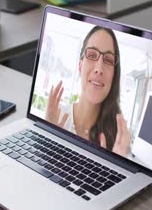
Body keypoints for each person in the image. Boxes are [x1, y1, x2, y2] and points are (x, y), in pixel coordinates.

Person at [45, 26, 131, 157]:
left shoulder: (119, 142)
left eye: (108, 60)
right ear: (80, 66)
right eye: (92, 55)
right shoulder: (55, 119)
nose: (99, 69)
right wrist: (46, 139)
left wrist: (117, 166)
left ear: (114, 76)